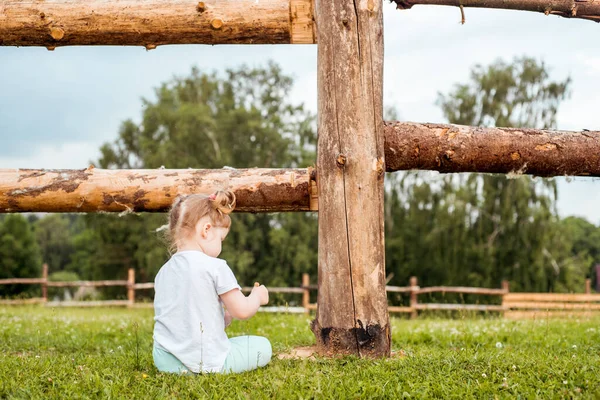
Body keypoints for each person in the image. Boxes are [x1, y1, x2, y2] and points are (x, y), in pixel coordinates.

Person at [152, 190, 271, 374]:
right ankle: (204, 368)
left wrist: (225, 317)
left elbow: (182, 321)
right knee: (263, 346)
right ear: (206, 230)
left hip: (166, 359)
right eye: (221, 239)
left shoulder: (163, 272)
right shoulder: (216, 267)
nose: (221, 246)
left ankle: (183, 370)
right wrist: (256, 297)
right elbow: (243, 310)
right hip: (207, 361)